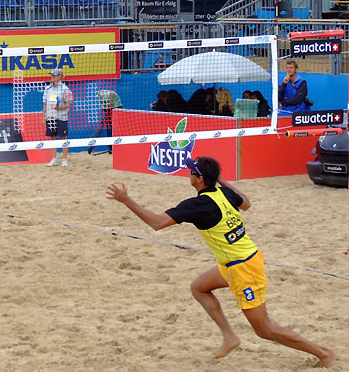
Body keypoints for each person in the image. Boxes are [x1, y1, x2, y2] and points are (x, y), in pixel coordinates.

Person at [106, 156, 335, 367]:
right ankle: (229, 336)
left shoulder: (197, 205)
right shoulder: (224, 193)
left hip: (242, 267)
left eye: (191, 172)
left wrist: (126, 199)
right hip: (240, 260)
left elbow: (156, 223)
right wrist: (222, 180)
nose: (189, 174)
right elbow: (245, 202)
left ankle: (323, 353)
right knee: (199, 287)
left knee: (263, 328)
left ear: (199, 178)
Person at [43, 68, 72, 167]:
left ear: (60, 77)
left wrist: (59, 108)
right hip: (51, 117)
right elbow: (45, 104)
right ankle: (54, 159)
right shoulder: (48, 89)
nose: (52, 77)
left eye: (54, 75)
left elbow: (69, 104)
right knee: (52, 138)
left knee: (63, 138)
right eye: (52, 75)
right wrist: (44, 117)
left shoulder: (65, 89)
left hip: (61, 117)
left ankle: (64, 159)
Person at [88, 89, 121, 154]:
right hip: (110, 110)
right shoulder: (103, 99)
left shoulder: (111, 98)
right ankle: (110, 147)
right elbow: (105, 109)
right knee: (109, 127)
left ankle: (114, 146)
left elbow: (109, 109)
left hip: (115, 109)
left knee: (113, 128)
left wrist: (108, 115)